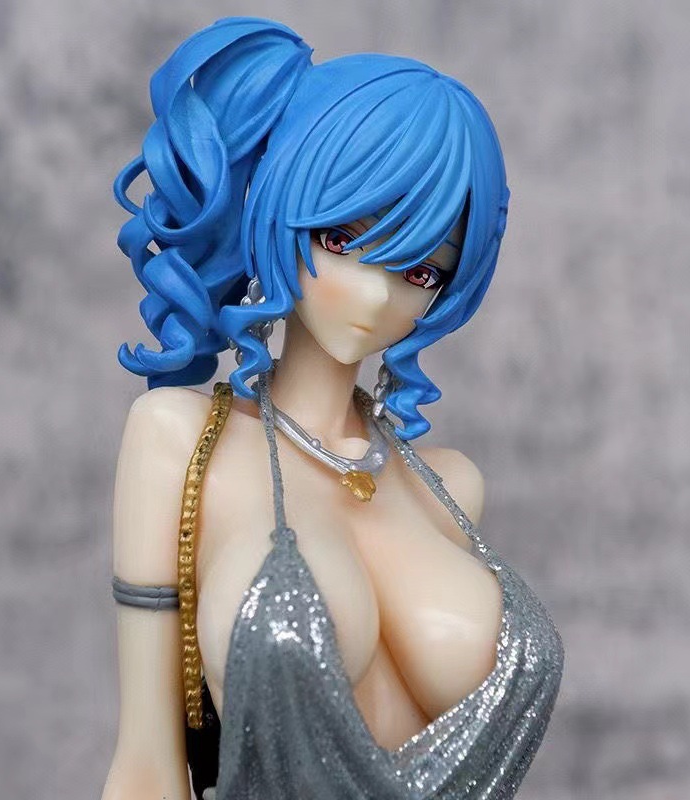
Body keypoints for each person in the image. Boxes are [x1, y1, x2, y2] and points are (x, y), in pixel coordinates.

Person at [102, 16, 563, 800]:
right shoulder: (176, 440)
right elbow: (147, 768)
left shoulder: (450, 487)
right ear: (284, 203)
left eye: (422, 273)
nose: (378, 294)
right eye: (344, 240)